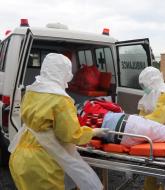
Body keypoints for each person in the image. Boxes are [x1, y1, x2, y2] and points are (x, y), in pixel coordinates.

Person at [8, 53, 108, 190]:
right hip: (43, 162)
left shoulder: (32, 90)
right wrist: (93, 132)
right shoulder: (61, 99)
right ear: (63, 72)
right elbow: (70, 135)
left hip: (20, 154)